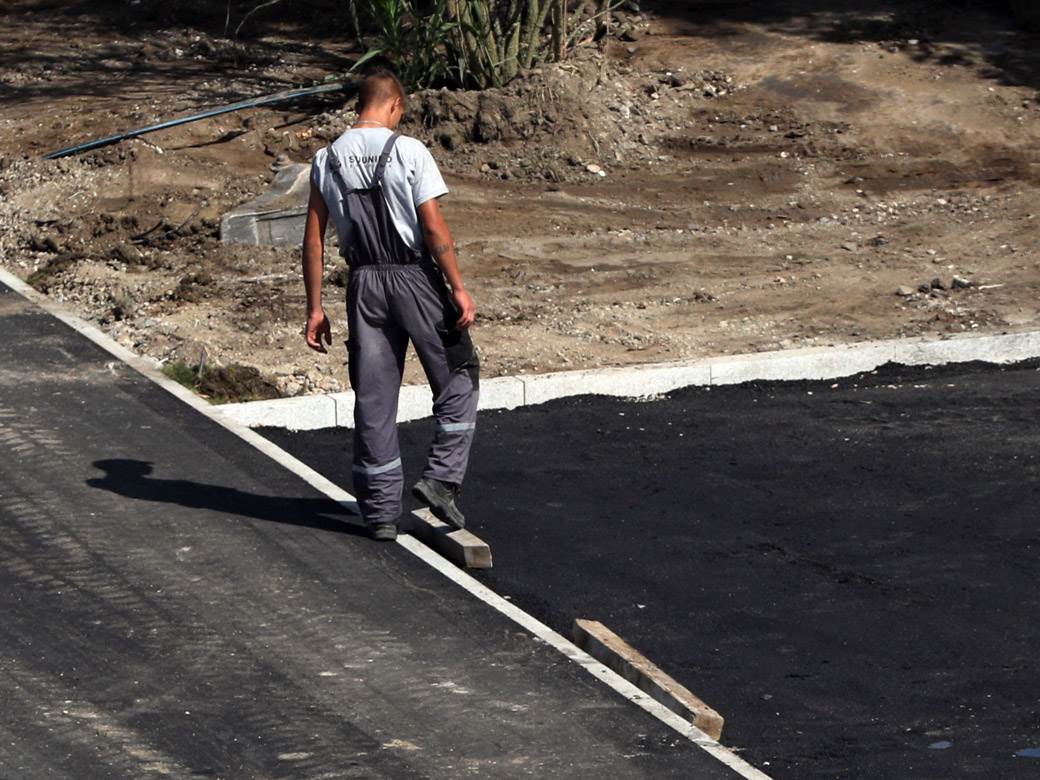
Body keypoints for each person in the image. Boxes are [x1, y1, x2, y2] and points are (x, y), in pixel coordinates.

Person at [301, 70, 479, 542]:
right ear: (395, 104)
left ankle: (380, 513)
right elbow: (433, 227)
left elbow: (313, 240)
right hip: (414, 277)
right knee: (459, 373)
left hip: (363, 284)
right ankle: (441, 479)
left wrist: (315, 308)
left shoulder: (325, 159)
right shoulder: (409, 151)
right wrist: (458, 286)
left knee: (374, 397)